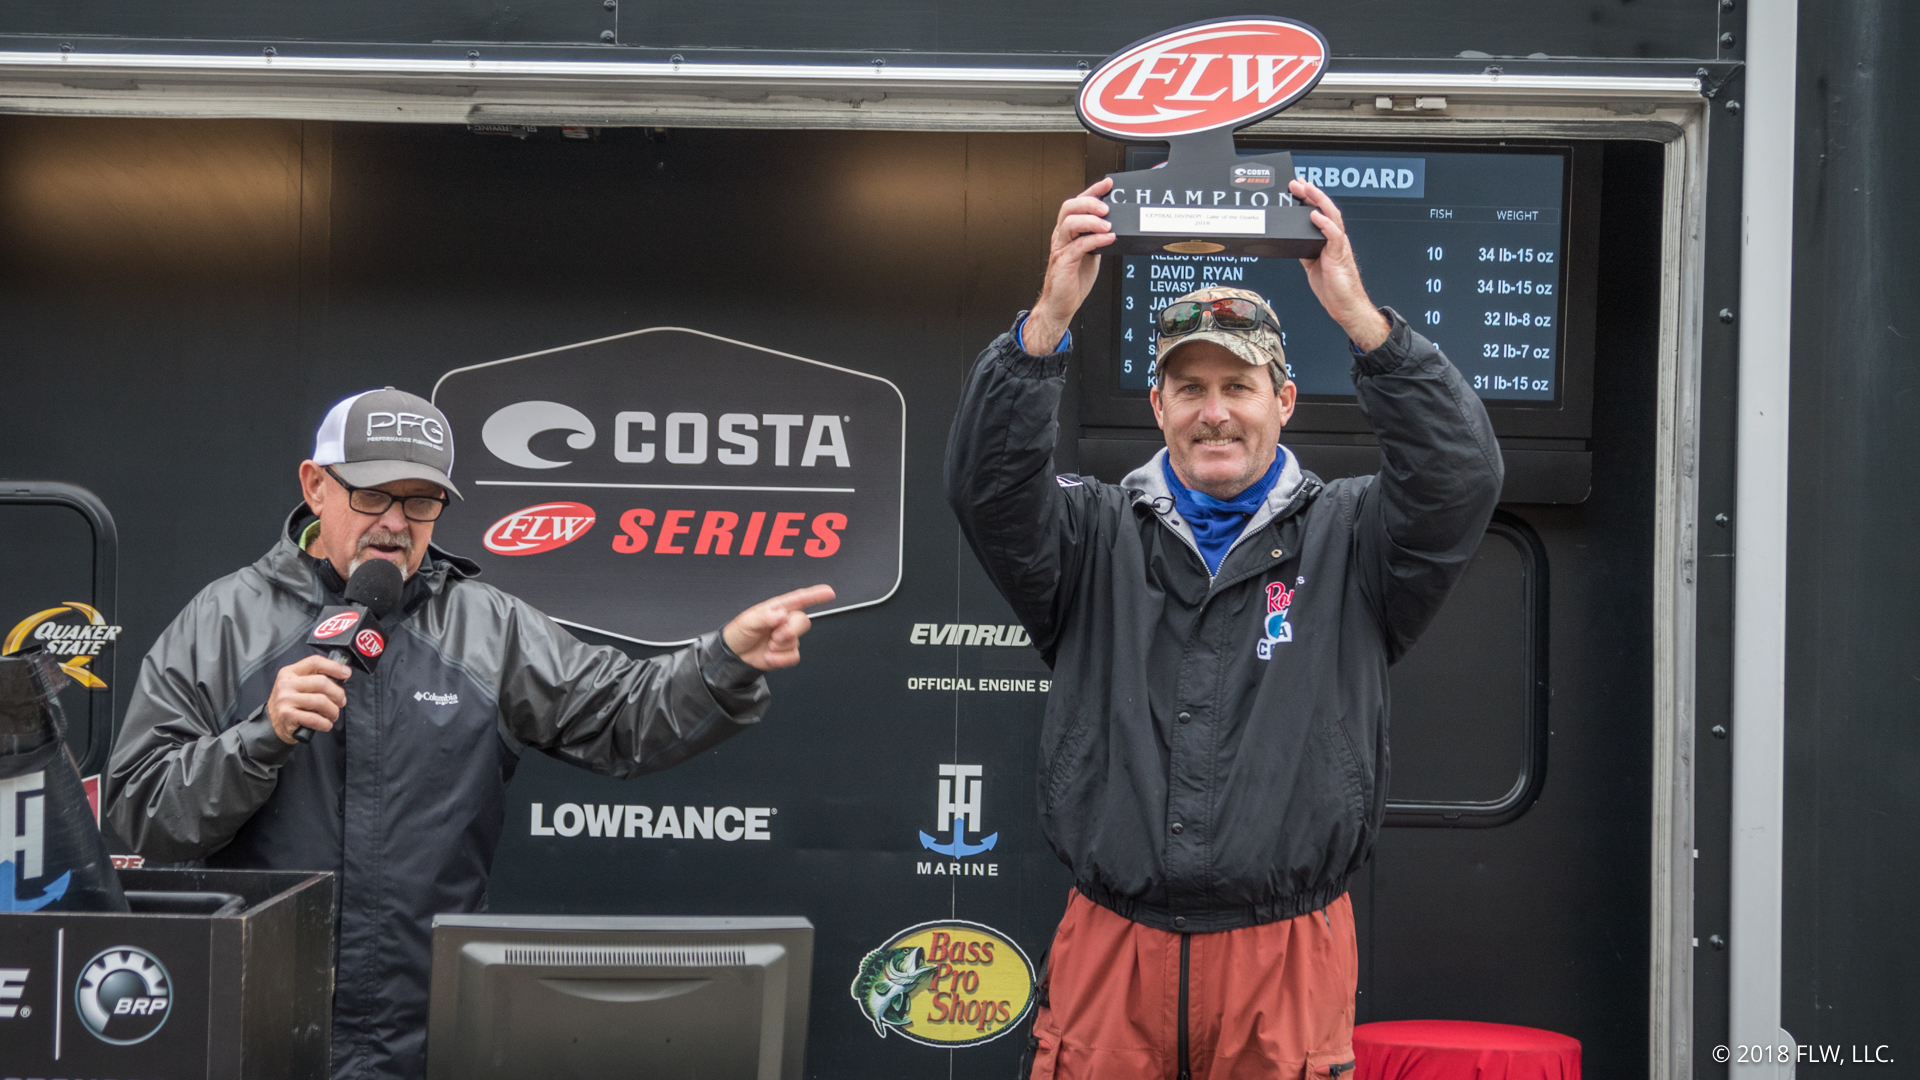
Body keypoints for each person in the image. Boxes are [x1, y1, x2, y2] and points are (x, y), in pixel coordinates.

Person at [106, 386, 833, 1080]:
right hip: (254, 1037)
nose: (395, 521)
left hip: (432, 1042)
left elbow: (626, 715)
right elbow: (140, 815)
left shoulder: (487, 627)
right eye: (372, 494)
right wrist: (258, 736)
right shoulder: (223, 621)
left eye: (420, 500)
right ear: (315, 485)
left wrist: (723, 661)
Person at [945, 177, 1503, 1080]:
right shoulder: (1092, 534)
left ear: (1283, 401)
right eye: (1190, 386)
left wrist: (1365, 323)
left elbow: (1460, 479)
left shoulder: (1353, 534)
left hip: (1286, 955)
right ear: (1157, 406)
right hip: (1112, 949)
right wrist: (1043, 326)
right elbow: (986, 491)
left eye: (1239, 385)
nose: (1215, 410)